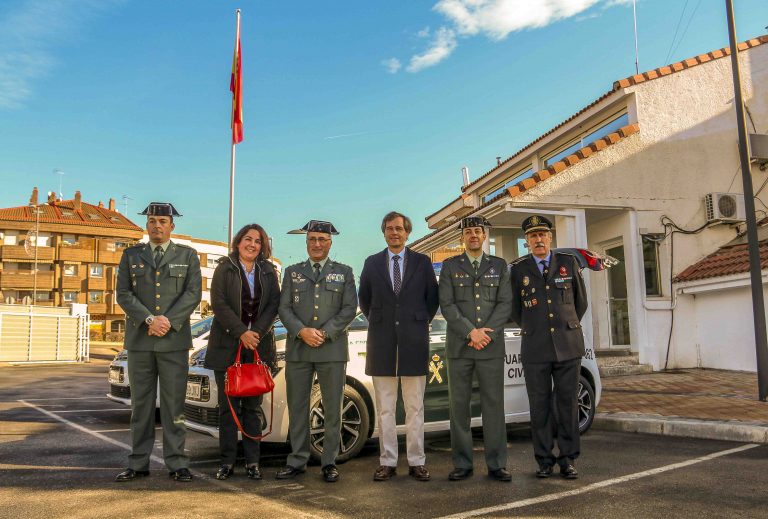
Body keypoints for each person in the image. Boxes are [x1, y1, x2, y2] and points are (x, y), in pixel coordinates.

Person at [115, 202, 202, 482]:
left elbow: (192, 294)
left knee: (174, 406)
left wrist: (166, 321)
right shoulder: (131, 255)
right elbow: (124, 294)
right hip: (141, 341)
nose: (157, 225)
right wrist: (150, 320)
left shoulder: (188, 256)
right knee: (140, 406)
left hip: (174, 341)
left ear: (172, 226)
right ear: (147, 225)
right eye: (152, 220)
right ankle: (138, 463)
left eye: (162, 221)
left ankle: (177, 463)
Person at [358, 211, 439, 482]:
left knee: (415, 408)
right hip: (381, 344)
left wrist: (414, 323)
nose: (394, 233)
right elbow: (365, 300)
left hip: (414, 343)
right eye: (390, 229)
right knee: (385, 409)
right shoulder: (371, 263)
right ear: (384, 232)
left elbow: (432, 300)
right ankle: (388, 461)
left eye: (399, 229)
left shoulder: (422, 262)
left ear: (407, 233)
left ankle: (417, 461)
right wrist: (384, 323)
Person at [276, 220, 357, 483]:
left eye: (322, 239)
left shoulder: (344, 272)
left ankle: (329, 462)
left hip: (331, 349)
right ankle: (297, 460)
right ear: (306, 242)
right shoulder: (292, 272)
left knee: (333, 409)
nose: (317, 244)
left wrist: (323, 332)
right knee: (298, 407)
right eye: (312, 239)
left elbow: (349, 309)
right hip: (299, 349)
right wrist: (302, 331)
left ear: (330, 242)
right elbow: (284, 308)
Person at [509, 215, 588, 480]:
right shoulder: (519, 270)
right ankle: (544, 460)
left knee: (567, 405)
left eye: (542, 234)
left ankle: (568, 459)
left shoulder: (568, 263)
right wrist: (535, 328)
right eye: (533, 236)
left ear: (550, 237)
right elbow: (515, 310)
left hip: (568, 345)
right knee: (539, 407)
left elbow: (580, 304)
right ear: (526, 241)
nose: (538, 239)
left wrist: (565, 326)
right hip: (536, 348)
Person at [438, 216, 513, 482]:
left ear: (484, 236)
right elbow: (447, 305)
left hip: (490, 347)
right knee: (459, 408)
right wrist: (471, 332)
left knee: (493, 407)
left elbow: (505, 304)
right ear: (462, 237)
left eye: (477, 231)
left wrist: (484, 335)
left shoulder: (499, 266)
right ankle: (462, 463)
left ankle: (496, 464)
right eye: (468, 231)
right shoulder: (449, 266)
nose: (473, 235)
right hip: (460, 347)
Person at [204, 224, 280, 481]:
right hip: (227, 347)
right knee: (228, 409)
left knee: (252, 408)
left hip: (257, 347)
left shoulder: (268, 271)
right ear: (239, 242)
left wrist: (255, 332)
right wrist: (241, 332)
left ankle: (253, 462)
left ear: (262, 246)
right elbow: (219, 303)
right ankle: (226, 462)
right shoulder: (225, 267)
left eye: (258, 241)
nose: (252, 244)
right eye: (248, 239)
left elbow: (273, 305)